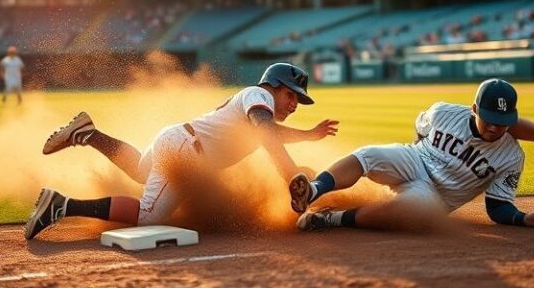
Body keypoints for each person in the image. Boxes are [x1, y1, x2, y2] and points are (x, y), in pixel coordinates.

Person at [24, 63, 338, 240]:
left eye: (299, 99)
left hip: (177, 139)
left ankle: (88, 134)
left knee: (140, 172)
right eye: (291, 95)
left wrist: (308, 136)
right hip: (185, 151)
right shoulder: (259, 96)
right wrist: (291, 174)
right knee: (149, 219)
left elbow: (268, 131)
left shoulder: (259, 109)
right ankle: (61, 205)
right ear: (273, 86)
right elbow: (267, 133)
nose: (295, 103)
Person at [289, 78, 534, 232]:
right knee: (368, 154)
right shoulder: (443, 112)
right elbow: (421, 130)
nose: (497, 128)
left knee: (413, 212)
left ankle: (329, 218)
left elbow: (497, 208)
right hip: (415, 158)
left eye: (504, 123)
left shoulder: (512, 157)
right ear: (474, 110)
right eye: (490, 121)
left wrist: (523, 218)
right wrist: (409, 161)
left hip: (435, 196)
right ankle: (313, 190)